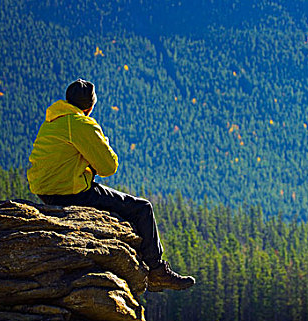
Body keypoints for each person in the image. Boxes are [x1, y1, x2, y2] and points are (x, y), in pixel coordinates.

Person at [27, 78, 195, 292]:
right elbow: (108, 167)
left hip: (45, 192)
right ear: (90, 106)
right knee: (142, 209)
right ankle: (156, 271)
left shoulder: (52, 121)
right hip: (71, 192)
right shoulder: (81, 124)